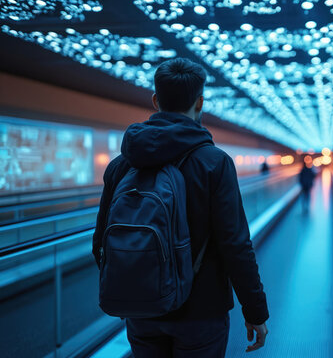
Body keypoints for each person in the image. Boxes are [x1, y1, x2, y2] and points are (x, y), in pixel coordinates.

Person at [92, 58, 269, 357]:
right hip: (202, 311)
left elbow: (100, 242)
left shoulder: (121, 165)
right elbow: (235, 245)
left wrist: (133, 286)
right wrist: (255, 310)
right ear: (200, 102)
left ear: (155, 100)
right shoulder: (214, 163)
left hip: (142, 310)